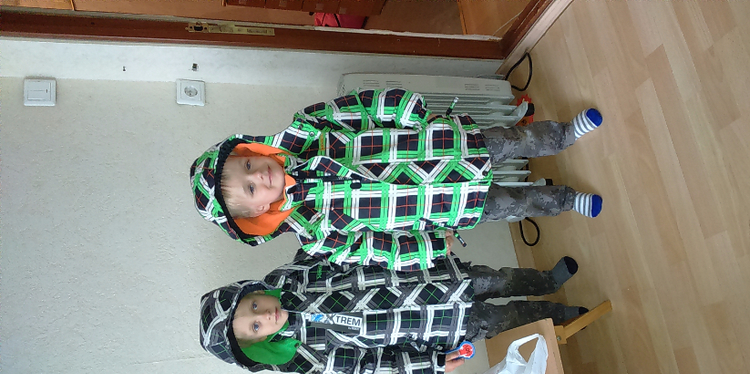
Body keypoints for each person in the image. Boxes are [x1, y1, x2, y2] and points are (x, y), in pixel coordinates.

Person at [190, 88, 603, 271]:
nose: (259, 175)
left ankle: (564, 134)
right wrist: (428, 247)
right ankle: (567, 200)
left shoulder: (309, 129)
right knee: (514, 204)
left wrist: (412, 114)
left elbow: (364, 107)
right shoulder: (316, 234)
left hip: (442, 146)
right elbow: (376, 250)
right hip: (443, 207)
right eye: (250, 188)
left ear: (252, 149)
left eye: (248, 165)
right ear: (259, 212)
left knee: (512, 140)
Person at [199, 250, 589, 374]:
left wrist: (418, 242)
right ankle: (558, 314)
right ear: (258, 345)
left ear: (254, 290)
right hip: (436, 325)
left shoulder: (292, 276)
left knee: (497, 278)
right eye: (255, 327)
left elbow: (342, 247)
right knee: (504, 318)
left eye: (254, 305)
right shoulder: (306, 358)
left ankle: (546, 281)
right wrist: (431, 366)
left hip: (434, 278)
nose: (263, 315)